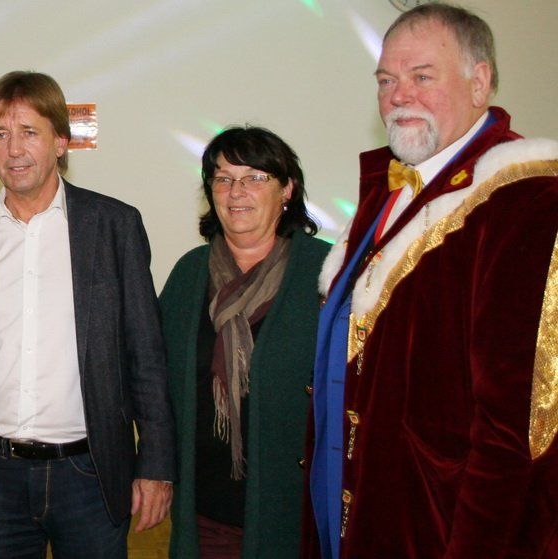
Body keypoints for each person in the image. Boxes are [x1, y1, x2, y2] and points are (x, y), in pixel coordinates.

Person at [308, 4, 558, 558]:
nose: (399, 96)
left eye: (422, 77)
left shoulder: (527, 201)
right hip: (359, 516)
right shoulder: (387, 194)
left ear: (480, 82)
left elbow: (514, 429)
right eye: (386, 81)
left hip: (437, 529)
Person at [0, 71, 176, 559]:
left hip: (89, 473)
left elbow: (147, 355)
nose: (14, 149)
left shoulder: (114, 226)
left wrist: (155, 466)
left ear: (61, 142)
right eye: (1, 134)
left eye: (29, 132)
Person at [160, 127, 329, 558]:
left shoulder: (326, 273)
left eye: (255, 177)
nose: (237, 192)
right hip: (206, 511)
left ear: (287, 189)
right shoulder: (189, 275)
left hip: (295, 511)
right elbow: (155, 384)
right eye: (223, 179)